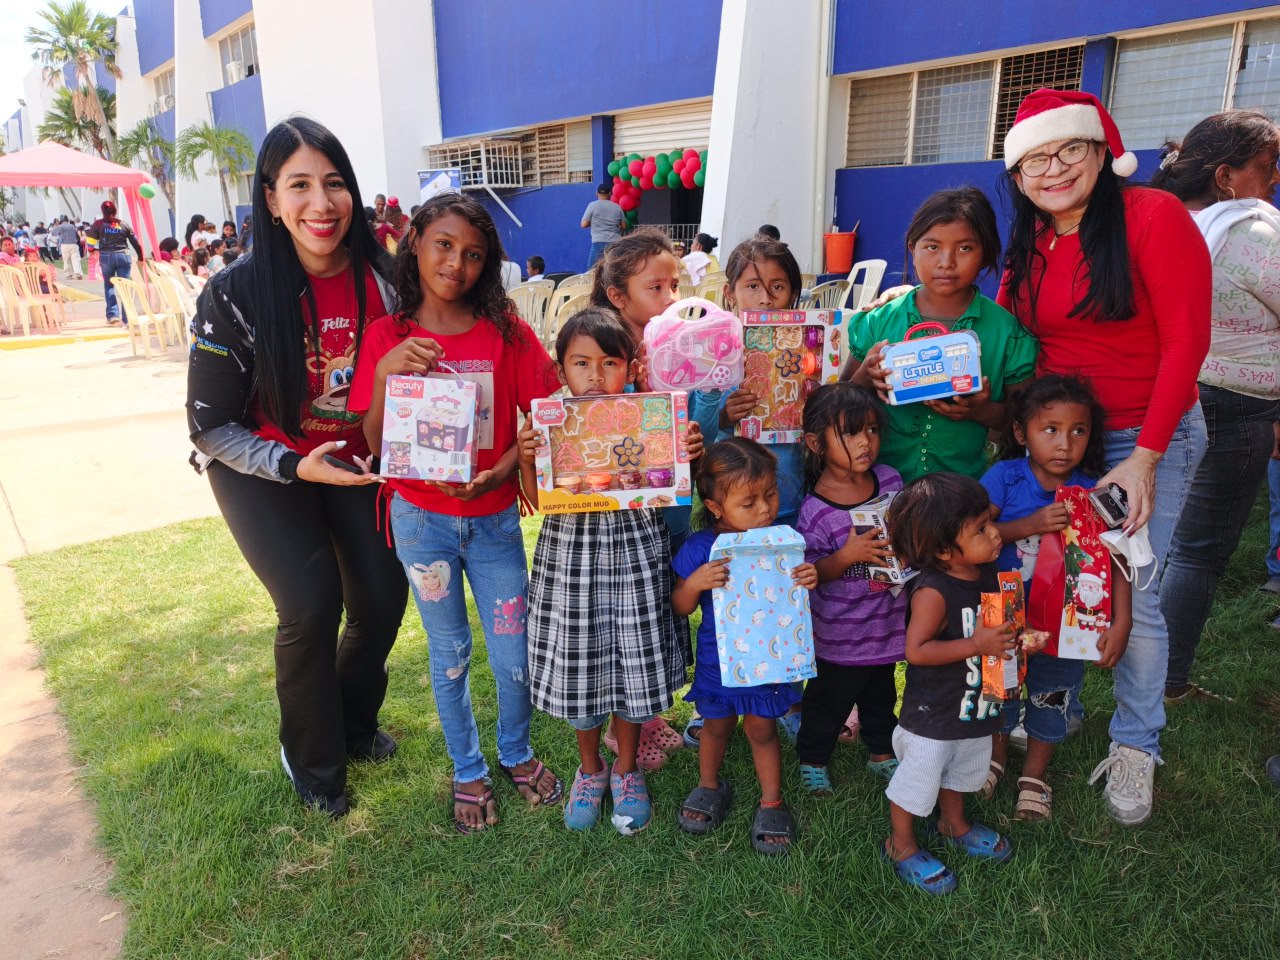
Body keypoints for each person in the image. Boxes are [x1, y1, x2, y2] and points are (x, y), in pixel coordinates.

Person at [998, 88, 1210, 826]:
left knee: (1137, 594)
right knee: (1057, 575)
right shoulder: (1030, 240)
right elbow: (1014, 342)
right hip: (1061, 439)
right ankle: (1062, 700)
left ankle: (1135, 747)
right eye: (1034, 160)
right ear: (1017, 175)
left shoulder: (1153, 216)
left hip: (1144, 435)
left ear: (1100, 152)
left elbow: (1187, 341)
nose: (1053, 170)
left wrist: (1145, 458)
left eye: (1069, 150)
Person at [185, 116, 407, 819]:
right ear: (272, 200)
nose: (322, 203)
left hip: (351, 457)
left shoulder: (385, 280)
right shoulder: (234, 294)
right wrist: (290, 463)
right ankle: (314, 764)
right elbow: (209, 424)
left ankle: (352, 725)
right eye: (300, 185)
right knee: (311, 604)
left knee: (380, 598)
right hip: (260, 464)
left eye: (334, 183)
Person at [349, 192, 564, 834]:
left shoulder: (507, 334)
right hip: (422, 519)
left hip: (496, 517)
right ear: (414, 242)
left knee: (512, 651)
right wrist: (387, 372)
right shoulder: (388, 337)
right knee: (448, 652)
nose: (457, 263)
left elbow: (552, 414)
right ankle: (467, 767)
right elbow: (372, 439)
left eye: (474, 254)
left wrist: (503, 470)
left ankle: (517, 750)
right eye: (444, 244)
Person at [519, 309, 699, 834]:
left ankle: (626, 770)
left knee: (633, 661)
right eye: (581, 363)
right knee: (580, 662)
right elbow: (538, 501)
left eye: (609, 362)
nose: (596, 376)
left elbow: (674, 489)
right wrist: (529, 460)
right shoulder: (551, 418)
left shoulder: (649, 417)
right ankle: (591, 768)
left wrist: (686, 453)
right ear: (562, 370)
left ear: (632, 366)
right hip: (569, 559)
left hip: (636, 552)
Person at [1149, 110, 1280, 698]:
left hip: (1172, 397)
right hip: (1239, 407)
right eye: (1268, 165)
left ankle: (1131, 664)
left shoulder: (1163, 224)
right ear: (1226, 175)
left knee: (1166, 541)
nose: (1274, 178)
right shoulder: (1255, 236)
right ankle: (1167, 681)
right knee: (1199, 552)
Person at [980, 375, 1132, 820]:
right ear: (1020, 432)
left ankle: (1035, 776)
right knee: (1000, 689)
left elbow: (1119, 560)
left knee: (1053, 692)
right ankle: (995, 757)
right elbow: (976, 534)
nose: (1064, 443)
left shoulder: (1097, 493)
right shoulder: (1004, 478)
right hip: (1003, 611)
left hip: (1068, 621)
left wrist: (1119, 622)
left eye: (1078, 430)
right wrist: (1029, 525)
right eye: (1050, 429)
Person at [883, 473, 1033, 895]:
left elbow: (997, 629)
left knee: (966, 766)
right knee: (921, 776)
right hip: (933, 713)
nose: (994, 533)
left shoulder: (985, 573)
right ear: (944, 550)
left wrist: (1017, 641)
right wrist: (975, 643)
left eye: (989, 522)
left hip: (975, 703)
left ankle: (954, 822)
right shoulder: (932, 592)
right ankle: (901, 842)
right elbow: (917, 650)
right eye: (981, 529)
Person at [673, 438, 818, 854]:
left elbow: (794, 598)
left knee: (761, 728)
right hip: (719, 662)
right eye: (749, 502)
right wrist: (696, 582)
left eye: (770, 494)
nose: (765, 509)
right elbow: (680, 606)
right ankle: (708, 784)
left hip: (767, 661)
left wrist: (809, 578)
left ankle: (771, 800)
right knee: (715, 725)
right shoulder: (702, 548)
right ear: (716, 507)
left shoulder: (782, 542)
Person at [846, 187, 1038, 483]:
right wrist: (864, 378)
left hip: (962, 490)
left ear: (985, 253)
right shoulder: (880, 321)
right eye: (932, 247)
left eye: (965, 248)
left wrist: (982, 411)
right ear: (913, 248)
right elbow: (842, 401)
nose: (946, 262)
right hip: (878, 488)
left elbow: (1024, 421)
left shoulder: (1006, 333)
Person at [795, 383, 905, 796]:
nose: (866, 443)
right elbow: (811, 573)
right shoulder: (816, 509)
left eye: (873, 431)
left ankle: (881, 750)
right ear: (814, 442)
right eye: (851, 433)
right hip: (840, 633)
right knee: (828, 701)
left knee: (882, 691)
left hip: (887, 622)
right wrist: (847, 554)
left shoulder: (891, 479)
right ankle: (813, 757)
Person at [86, 200, 143, 325]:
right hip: (124, 256)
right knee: (125, 286)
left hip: (106, 257)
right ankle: (128, 318)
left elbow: (90, 242)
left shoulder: (98, 224)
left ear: (102, 211)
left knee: (109, 285)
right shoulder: (123, 224)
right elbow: (136, 242)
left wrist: (92, 250)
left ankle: (113, 315)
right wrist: (141, 257)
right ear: (115, 211)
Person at [581, 184, 625, 269]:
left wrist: (594, 223)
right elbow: (623, 226)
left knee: (592, 269)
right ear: (610, 194)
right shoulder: (617, 207)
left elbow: (583, 224)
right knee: (614, 269)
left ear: (596, 193)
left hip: (598, 241)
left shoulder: (592, 205)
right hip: (614, 242)